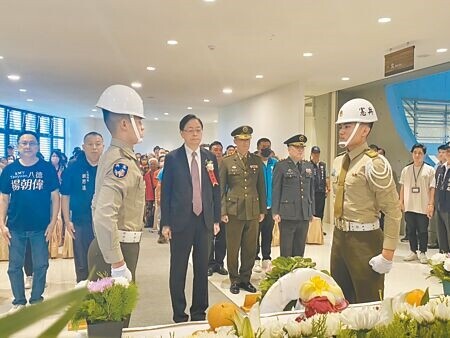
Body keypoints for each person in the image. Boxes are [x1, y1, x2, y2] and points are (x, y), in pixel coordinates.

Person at [330, 98, 401, 304]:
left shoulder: (375, 164)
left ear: (364, 130)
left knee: (367, 302)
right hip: (339, 237)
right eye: (341, 126)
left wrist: (387, 253)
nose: (342, 131)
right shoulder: (338, 161)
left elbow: (393, 211)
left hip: (365, 240)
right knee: (339, 300)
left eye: (347, 126)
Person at [160, 114, 221, 323]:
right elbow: (166, 192)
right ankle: (179, 313)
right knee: (178, 269)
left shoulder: (209, 158)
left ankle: (198, 313)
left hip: (204, 221)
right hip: (180, 222)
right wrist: (165, 223)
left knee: (202, 269)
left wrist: (215, 220)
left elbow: (215, 190)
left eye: (198, 129)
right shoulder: (172, 158)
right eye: (190, 130)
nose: (195, 134)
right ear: (182, 133)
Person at [88, 84, 146, 296]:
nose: (142, 127)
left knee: (111, 323)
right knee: (112, 323)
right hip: (117, 247)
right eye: (138, 121)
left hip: (115, 245)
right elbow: (104, 215)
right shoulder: (120, 162)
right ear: (124, 123)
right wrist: (118, 262)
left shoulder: (116, 155)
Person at [0, 130, 60, 312]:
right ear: (18, 146)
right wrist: (1, 223)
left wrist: (52, 222)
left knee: (41, 264)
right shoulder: (9, 170)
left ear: (37, 146)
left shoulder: (46, 168)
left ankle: (36, 300)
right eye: (24, 143)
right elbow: (3, 198)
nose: (27, 146)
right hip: (16, 226)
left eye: (31, 143)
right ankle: (19, 301)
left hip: (40, 226)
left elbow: (55, 197)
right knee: (14, 266)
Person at [220, 126, 266, 295]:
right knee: (233, 247)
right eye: (242, 140)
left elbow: (261, 186)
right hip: (234, 210)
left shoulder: (257, 161)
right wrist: (222, 211)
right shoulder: (226, 161)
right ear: (235, 141)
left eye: (247, 140)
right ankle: (234, 279)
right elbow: (221, 189)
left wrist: (262, 210)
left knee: (250, 247)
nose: (245, 143)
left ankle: (245, 278)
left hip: (253, 210)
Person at [61, 132, 104, 282]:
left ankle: (102, 293)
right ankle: (83, 292)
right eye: (90, 144)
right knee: (81, 260)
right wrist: (67, 220)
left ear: (103, 146)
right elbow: (65, 195)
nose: (94, 148)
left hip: (104, 221)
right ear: (83, 147)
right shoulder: (73, 167)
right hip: (80, 220)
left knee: (103, 258)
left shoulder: (108, 167)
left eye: (98, 144)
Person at [272, 134, 315, 257]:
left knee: (300, 249)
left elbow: (310, 191)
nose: (300, 150)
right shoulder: (281, 166)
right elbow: (276, 189)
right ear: (289, 149)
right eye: (297, 147)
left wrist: (311, 211)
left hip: (303, 214)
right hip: (287, 214)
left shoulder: (308, 166)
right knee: (286, 250)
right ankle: (286, 275)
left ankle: (298, 274)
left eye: (302, 148)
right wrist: (275, 212)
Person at [400, 144, 435, 264]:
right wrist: (401, 201)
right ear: (412, 154)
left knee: (423, 231)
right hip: (409, 205)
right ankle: (413, 251)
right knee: (410, 230)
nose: (417, 155)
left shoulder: (430, 170)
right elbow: (402, 186)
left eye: (420, 153)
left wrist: (431, 204)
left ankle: (423, 252)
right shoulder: (406, 169)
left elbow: (432, 188)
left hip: (423, 205)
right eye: (415, 152)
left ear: (424, 155)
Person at [254, 137, 277, 273]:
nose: (266, 148)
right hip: (257, 207)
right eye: (263, 146)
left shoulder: (275, 163)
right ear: (258, 148)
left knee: (268, 233)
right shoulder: (254, 163)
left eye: (268, 146)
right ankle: (255, 258)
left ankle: (266, 257)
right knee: (255, 234)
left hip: (271, 205)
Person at [207, 141, 228, 276]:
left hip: (224, 207)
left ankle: (219, 263)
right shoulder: (206, 165)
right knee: (208, 238)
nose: (218, 152)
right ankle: (209, 264)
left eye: (220, 150)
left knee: (222, 239)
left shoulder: (226, 165)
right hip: (208, 207)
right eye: (215, 150)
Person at [433, 142, 450, 253]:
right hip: (440, 206)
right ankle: (443, 260)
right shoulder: (440, 168)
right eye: (447, 151)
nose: (448, 154)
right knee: (441, 234)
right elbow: (436, 187)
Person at [310, 146, 330, 223]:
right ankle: (312, 230)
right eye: (314, 153)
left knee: (320, 212)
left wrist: (328, 188)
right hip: (312, 192)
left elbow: (327, 177)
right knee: (313, 212)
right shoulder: (308, 165)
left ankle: (320, 229)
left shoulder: (323, 165)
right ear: (311, 154)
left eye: (317, 153)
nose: (316, 155)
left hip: (321, 192)